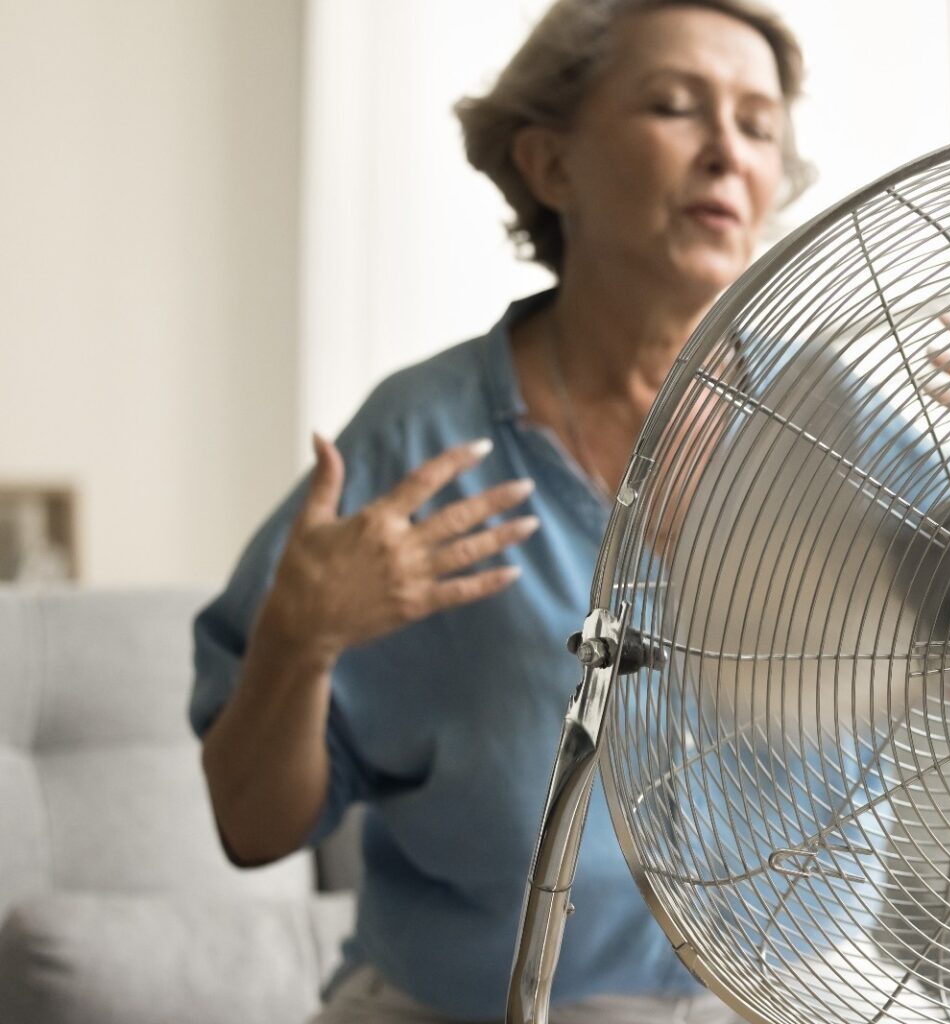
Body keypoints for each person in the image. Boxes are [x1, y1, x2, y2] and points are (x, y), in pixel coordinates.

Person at [189, 2, 840, 1021]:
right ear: (550, 166)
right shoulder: (417, 441)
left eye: (759, 127)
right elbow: (251, 825)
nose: (727, 152)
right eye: (676, 106)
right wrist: (297, 643)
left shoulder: (846, 433)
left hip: (785, 1001)